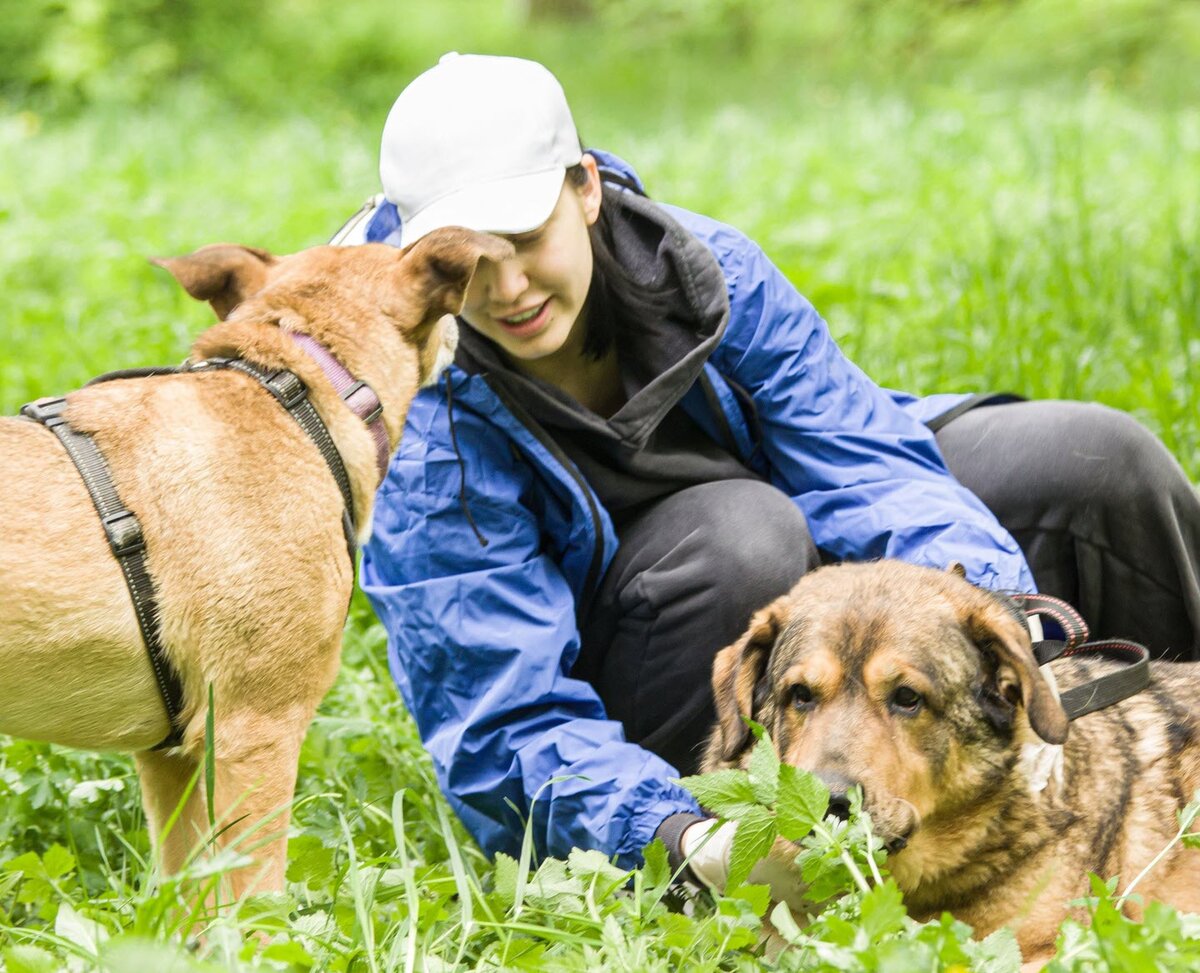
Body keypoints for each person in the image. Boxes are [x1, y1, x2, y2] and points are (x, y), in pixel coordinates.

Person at [342, 53, 1200, 891]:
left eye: (527, 239)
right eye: (465, 263)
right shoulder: (412, 404)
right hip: (650, 663)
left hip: (829, 613)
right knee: (744, 533)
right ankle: (731, 852)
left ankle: (1152, 780)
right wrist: (683, 839)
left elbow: (868, 464)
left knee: (1097, 462)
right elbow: (503, 719)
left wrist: (1010, 624)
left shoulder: (701, 269)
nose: (508, 287)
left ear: (587, 187)